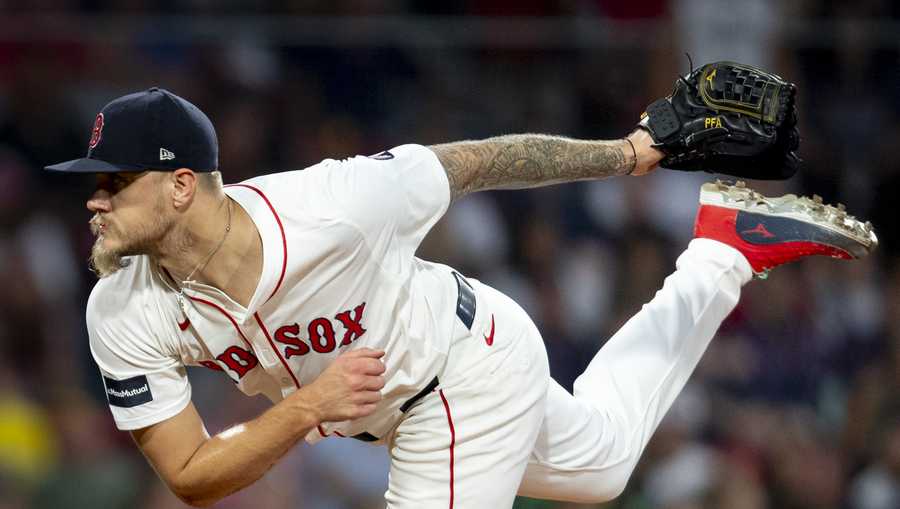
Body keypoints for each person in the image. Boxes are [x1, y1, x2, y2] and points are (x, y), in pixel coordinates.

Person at [45, 87, 875, 508]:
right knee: (607, 462)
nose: (95, 199)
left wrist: (629, 152)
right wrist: (305, 412)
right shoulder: (121, 308)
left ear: (182, 185)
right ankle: (724, 250)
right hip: (418, 390)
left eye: (115, 181)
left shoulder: (335, 204)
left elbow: (479, 161)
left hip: (454, 376)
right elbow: (189, 475)